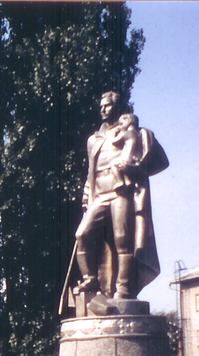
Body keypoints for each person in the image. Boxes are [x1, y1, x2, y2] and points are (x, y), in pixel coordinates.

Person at [69, 91, 168, 303]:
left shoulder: (134, 132)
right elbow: (91, 170)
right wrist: (87, 194)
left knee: (123, 240)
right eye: (101, 106)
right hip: (100, 195)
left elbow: (161, 161)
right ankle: (91, 279)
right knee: (82, 234)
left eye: (107, 106)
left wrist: (137, 168)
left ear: (118, 107)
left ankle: (123, 289)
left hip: (120, 192)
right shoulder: (93, 139)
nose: (102, 109)